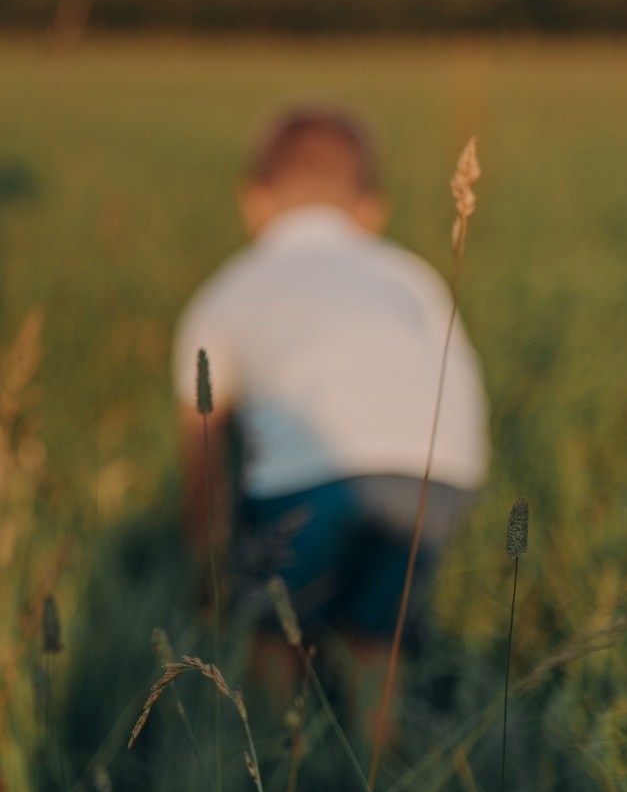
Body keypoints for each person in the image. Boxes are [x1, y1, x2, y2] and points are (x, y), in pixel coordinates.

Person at [174, 103, 488, 711]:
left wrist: (207, 558)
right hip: (438, 474)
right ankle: (379, 768)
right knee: (379, 634)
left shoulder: (230, 288)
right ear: (372, 210)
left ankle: (269, 750)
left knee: (276, 627)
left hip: (309, 479)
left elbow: (202, 442)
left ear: (254, 201)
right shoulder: (413, 274)